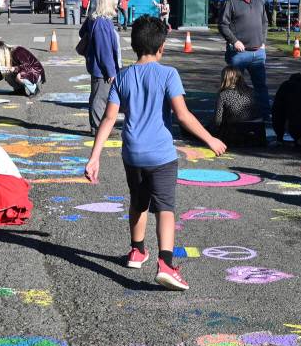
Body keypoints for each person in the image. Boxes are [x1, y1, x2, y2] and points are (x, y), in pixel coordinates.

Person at [85, 16, 227, 291]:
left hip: (133, 154)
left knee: (138, 203)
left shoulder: (122, 76)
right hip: (161, 155)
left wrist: (95, 156)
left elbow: (108, 119)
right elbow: (183, 116)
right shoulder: (168, 74)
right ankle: (165, 264)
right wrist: (209, 139)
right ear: (161, 47)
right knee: (165, 209)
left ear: (135, 45)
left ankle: (137, 251)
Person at [218, 0, 270, 120]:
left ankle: (266, 115)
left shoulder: (259, 1)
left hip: (258, 53)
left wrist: (263, 41)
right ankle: (230, 116)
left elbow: (264, 22)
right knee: (233, 87)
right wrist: (234, 41)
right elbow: (222, 25)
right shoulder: (231, 1)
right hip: (238, 55)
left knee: (261, 86)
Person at [80, 0, 121, 135]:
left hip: (96, 65)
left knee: (98, 96)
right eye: (114, 3)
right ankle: (98, 128)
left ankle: (101, 126)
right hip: (101, 68)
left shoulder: (94, 19)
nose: (117, 6)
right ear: (107, 4)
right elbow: (104, 51)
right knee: (100, 98)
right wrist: (111, 71)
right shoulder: (103, 22)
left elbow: (81, 32)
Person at [213, 66, 264, 146]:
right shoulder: (252, 91)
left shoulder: (224, 94)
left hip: (236, 132)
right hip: (257, 130)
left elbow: (217, 120)